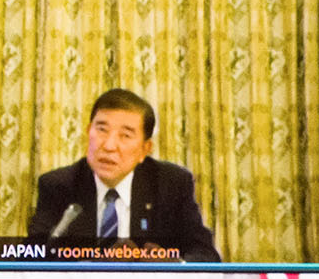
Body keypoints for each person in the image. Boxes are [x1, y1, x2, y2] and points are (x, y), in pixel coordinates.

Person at [23, 89, 219, 259]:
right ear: (87, 132)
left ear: (145, 149)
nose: (108, 146)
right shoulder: (59, 185)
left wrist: (172, 265)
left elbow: (205, 254)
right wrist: (96, 263)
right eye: (101, 130)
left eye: (125, 135)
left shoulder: (171, 184)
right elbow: (33, 255)